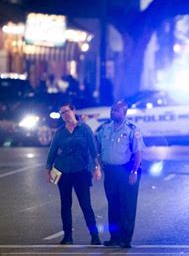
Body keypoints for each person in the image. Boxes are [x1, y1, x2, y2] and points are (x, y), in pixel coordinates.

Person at [46, 102, 102, 245]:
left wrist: (97, 168)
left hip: (81, 171)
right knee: (65, 205)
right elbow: (52, 151)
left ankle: (94, 236)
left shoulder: (84, 129)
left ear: (73, 111)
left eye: (66, 111)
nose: (65, 115)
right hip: (62, 171)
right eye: (62, 113)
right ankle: (67, 236)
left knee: (85, 204)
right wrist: (48, 169)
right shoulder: (59, 132)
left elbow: (93, 150)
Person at [96, 100, 145, 248]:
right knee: (113, 205)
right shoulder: (105, 128)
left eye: (116, 111)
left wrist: (134, 171)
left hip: (126, 171)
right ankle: (114, 238)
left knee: (127, 206)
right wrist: (99, 163)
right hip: (110, 171)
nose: (112, 113)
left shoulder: (132, 129)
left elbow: (138, 153)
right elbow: (97, 146)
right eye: (112, 110)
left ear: (124, 113)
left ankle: (125, 239)